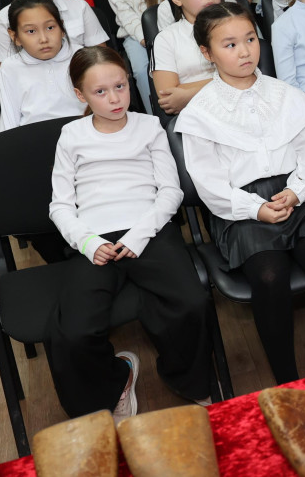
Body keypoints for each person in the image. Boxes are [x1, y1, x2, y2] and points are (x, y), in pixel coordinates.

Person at [178, 2, 305, 384]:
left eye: (250, 39)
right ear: (207, 53)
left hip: (298, 194)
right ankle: (287, 381)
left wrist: (298, 190)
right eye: (229, 45)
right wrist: (254, 208)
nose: (244, 51)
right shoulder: (199, 113)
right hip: (241, 208)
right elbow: (209, 182)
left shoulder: (286, 95)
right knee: (270, 275)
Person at [48, 45, 213, 421]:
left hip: (148, 229)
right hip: (94, 237)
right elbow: (60, 205)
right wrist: (89, 242)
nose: (114, 98)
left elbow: (170, 191)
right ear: (80, 95)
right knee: (72, 332)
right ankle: (116, 379)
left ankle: (187, 378)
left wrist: (139, 235)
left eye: (120, 86)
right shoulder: (71, 135)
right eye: (100, 91)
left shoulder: (149, 126)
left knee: (192, 302)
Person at [0, 0, 85, 130]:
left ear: (62, 28)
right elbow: (9, 120)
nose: (44, 39)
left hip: (83, 133)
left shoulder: (82, 56)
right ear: (15, 36)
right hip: (34, 138)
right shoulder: (10, 68)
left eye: (50, 28)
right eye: (31, 31)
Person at [152, 0, 222, 114]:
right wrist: (229, 81)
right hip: (195, 115)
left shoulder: (235, 26)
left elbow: (250, 76)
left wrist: (187, 92)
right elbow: (168, 98)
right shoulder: (166, 39)